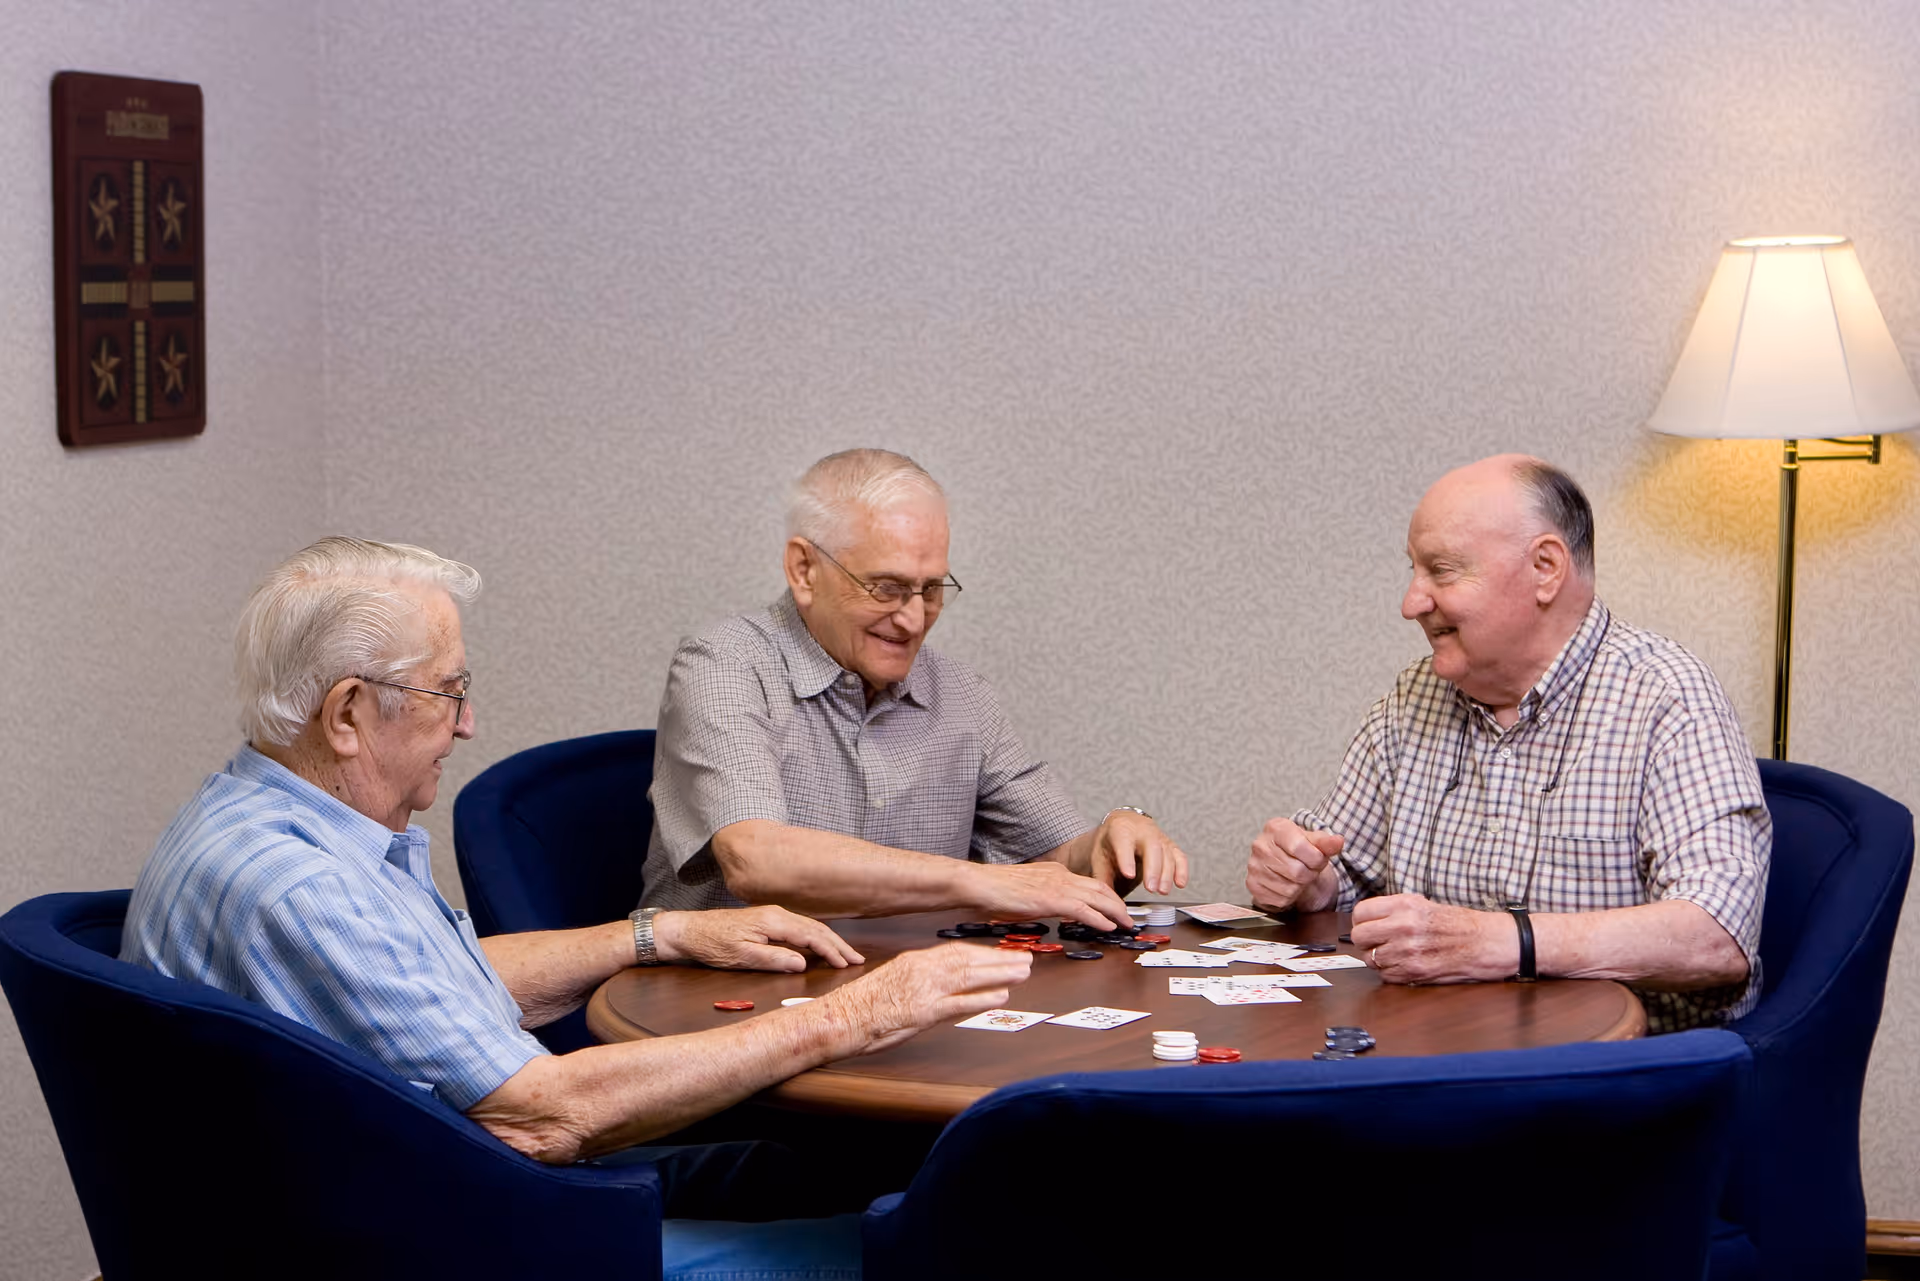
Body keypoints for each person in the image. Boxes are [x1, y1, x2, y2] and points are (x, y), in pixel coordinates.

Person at [122, 537, 1032, 1281]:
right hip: (478, 1237)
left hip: (407, 1186)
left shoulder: (259, 817)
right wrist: (857, 1013)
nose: (468, 723)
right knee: (945, 1245)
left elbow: (422, 984)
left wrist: (657, 931)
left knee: (842, 1163)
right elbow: (543, 1116)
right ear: (350, 712)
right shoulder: (303, 890)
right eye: (450, 691)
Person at [1244, 455, 1769, 1033]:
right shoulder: (1417, 695)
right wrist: (1306, 879)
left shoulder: (1665, 697)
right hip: (1438, 1053)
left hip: (1613, 1076)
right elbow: (1344, 869)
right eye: (1414, 571)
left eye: (1441, 572)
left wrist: (1502, 940)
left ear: (1545, 568)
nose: (1411, 602)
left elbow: (1717, 936)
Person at [640, 448, 1188, 928]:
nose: (912, 619)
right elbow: (756, 859)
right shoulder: (723, 663)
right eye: (886, 587)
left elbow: (1059, 861)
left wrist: (1114, 838)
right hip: (720, 1003)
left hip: (904, 1003)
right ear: (804, 569)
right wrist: (978, 883)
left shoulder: (964, 696)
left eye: (930, 590)